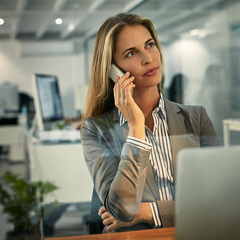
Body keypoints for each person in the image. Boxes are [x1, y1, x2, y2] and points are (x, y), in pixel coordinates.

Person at [80, 13, 219, 233]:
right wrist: (136, 129)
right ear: (112, 71)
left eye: (150, 45)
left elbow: (217, 199)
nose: (148, 58)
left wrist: (148, 212)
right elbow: (122, 209)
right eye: (131, 53)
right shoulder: (97, 130)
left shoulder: (196, 118)